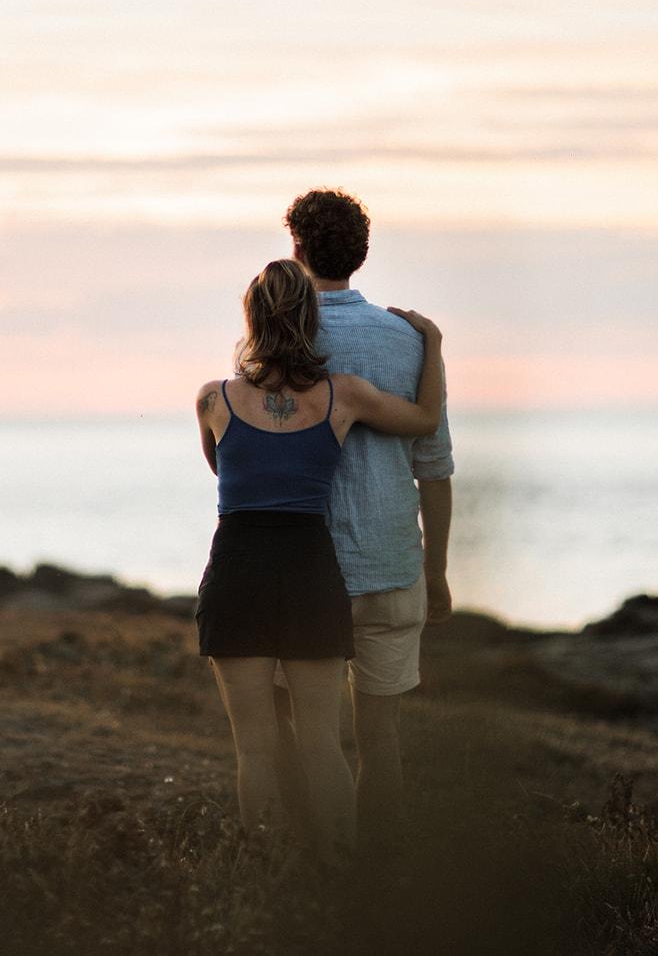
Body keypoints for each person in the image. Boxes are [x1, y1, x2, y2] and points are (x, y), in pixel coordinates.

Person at [193, 258, 445, 864]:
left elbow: (222, 472)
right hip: (310, 571)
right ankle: (339, 874)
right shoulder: (343, 396)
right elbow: (426, 422)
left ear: (251, 320)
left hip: (237, 572)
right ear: (311, 321)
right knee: (323, 747)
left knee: (254, 750)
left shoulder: (213, 399)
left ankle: (269, 877)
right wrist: (430, 344)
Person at [276, 188, 456, 852]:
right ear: (362, 253)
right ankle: (385, 876)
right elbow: (433, 468)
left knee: (309, 732)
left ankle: (321, 867)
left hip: (307, 571)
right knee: (383, 739)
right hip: (392, 563)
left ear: (297, 249)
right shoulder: (411, 342)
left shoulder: (280, 336)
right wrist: (435, 572)